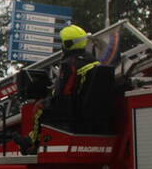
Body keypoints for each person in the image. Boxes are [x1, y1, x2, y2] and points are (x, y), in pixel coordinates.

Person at [23, 24, 100, 153]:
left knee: (39, 108)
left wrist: (49, 98)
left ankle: (33, 144)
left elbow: (64, 92)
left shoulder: (69, 64)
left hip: (70, 109)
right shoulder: (94, 60)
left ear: (68, 44)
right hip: (90, 109)